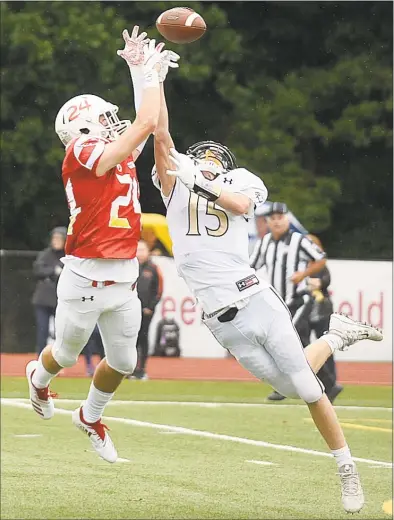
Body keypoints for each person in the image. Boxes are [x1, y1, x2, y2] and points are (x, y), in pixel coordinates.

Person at [151, 81, 383, 513]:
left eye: (212, 157)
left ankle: (347, 469)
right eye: (198, 157)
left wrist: (198, 181)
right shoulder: (174, 187)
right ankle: (336, 336)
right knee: (290, 385)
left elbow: (240, 205)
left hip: (255, 297)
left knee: (307, 389)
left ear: (224, 164)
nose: (205, 160)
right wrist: (151, 78)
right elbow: (159, 134)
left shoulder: (241, 180)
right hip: (219, 320)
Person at [25, 27, 179, 463]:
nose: (114, 122)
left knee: (124, 362)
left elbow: (149, 127)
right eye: (104, 118)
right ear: (83, 127)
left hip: (125, 276)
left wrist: (141, 72)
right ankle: (38, 377)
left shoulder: (114, 147)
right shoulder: (81, 151)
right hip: (86, 277)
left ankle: (89, 418)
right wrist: (148, 76)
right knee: (67, 355)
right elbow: (145, 123)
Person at [250, 202, 327, 401]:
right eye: (272, 218)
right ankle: (327, 383)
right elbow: (252, 266)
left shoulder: (298, 240)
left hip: (299, 299)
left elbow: (320, 258)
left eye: (280, 218)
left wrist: (303, 274)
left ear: (287, 219)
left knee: (286, 340)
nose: (277, 222)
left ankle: (288, 386)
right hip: (279, 303)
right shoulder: (265, 242)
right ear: (267, 222)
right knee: (297, 342)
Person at [306, 234, 342, 403]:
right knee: (304, 347)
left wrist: (318, 284)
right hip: (305, 311)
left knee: (326, 347)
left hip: (322, 311)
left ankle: (331, 383)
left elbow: (326, 280)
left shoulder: (320, 266)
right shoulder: (300, 265)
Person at [32, 227, 67, 355]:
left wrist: (52, 273)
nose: (56, 241)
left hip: (60, 300)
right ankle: (40, 358)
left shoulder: (68, 256)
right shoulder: (45, 254)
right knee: (42, 330)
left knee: (61, 332)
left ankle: (57, 360)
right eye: (54, 238)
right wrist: (54, 271)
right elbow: (37, 270)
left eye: (59, 238)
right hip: (43, 299)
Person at [131, 240, 163, 380]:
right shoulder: (129, 266)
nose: (140, 253)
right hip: (130, 309)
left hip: (146, 311)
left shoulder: (153, 268)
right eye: (137, 250)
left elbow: (159, 289)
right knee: (131, 339)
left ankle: (141, 369)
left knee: (143, 338)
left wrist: (151, 306)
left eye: (143, 249)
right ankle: (129, 368)